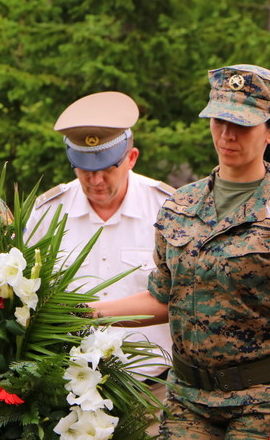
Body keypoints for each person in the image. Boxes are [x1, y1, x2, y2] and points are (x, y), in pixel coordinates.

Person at [92, 64, 270, 440]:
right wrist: (89, 313)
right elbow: (161, 299)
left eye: (242, 124)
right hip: (190, 399)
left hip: (267, 401)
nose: (228, 134)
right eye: (220, 120)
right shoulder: (181, 205)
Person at [25, 91, 173, 418]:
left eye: (107, 168)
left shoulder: (168, 209)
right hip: (66, 397)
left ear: (131, 157)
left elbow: (179, 297)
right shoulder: (47, 214)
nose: (95, 180)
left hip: (150, 395)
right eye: (84, 169)